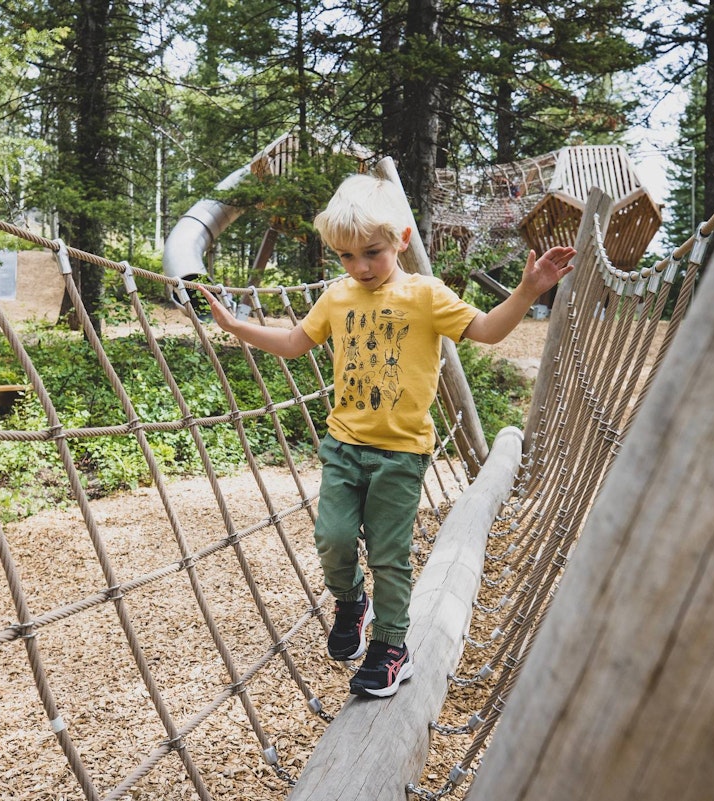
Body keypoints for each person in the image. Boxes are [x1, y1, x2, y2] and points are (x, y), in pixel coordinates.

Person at [199, 173, 575, 698]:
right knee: (331, 539)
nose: (360, 267)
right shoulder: (337, 297)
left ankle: (391, 647)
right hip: (344, 446)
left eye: (371, 252)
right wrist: (237, 327)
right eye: (345, 256)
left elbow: (487, 330)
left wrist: (529, 288)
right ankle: (351, 601)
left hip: (400, 454)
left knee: (389, 553)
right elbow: (292, 342)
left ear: (401, 239)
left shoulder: (426, 295)